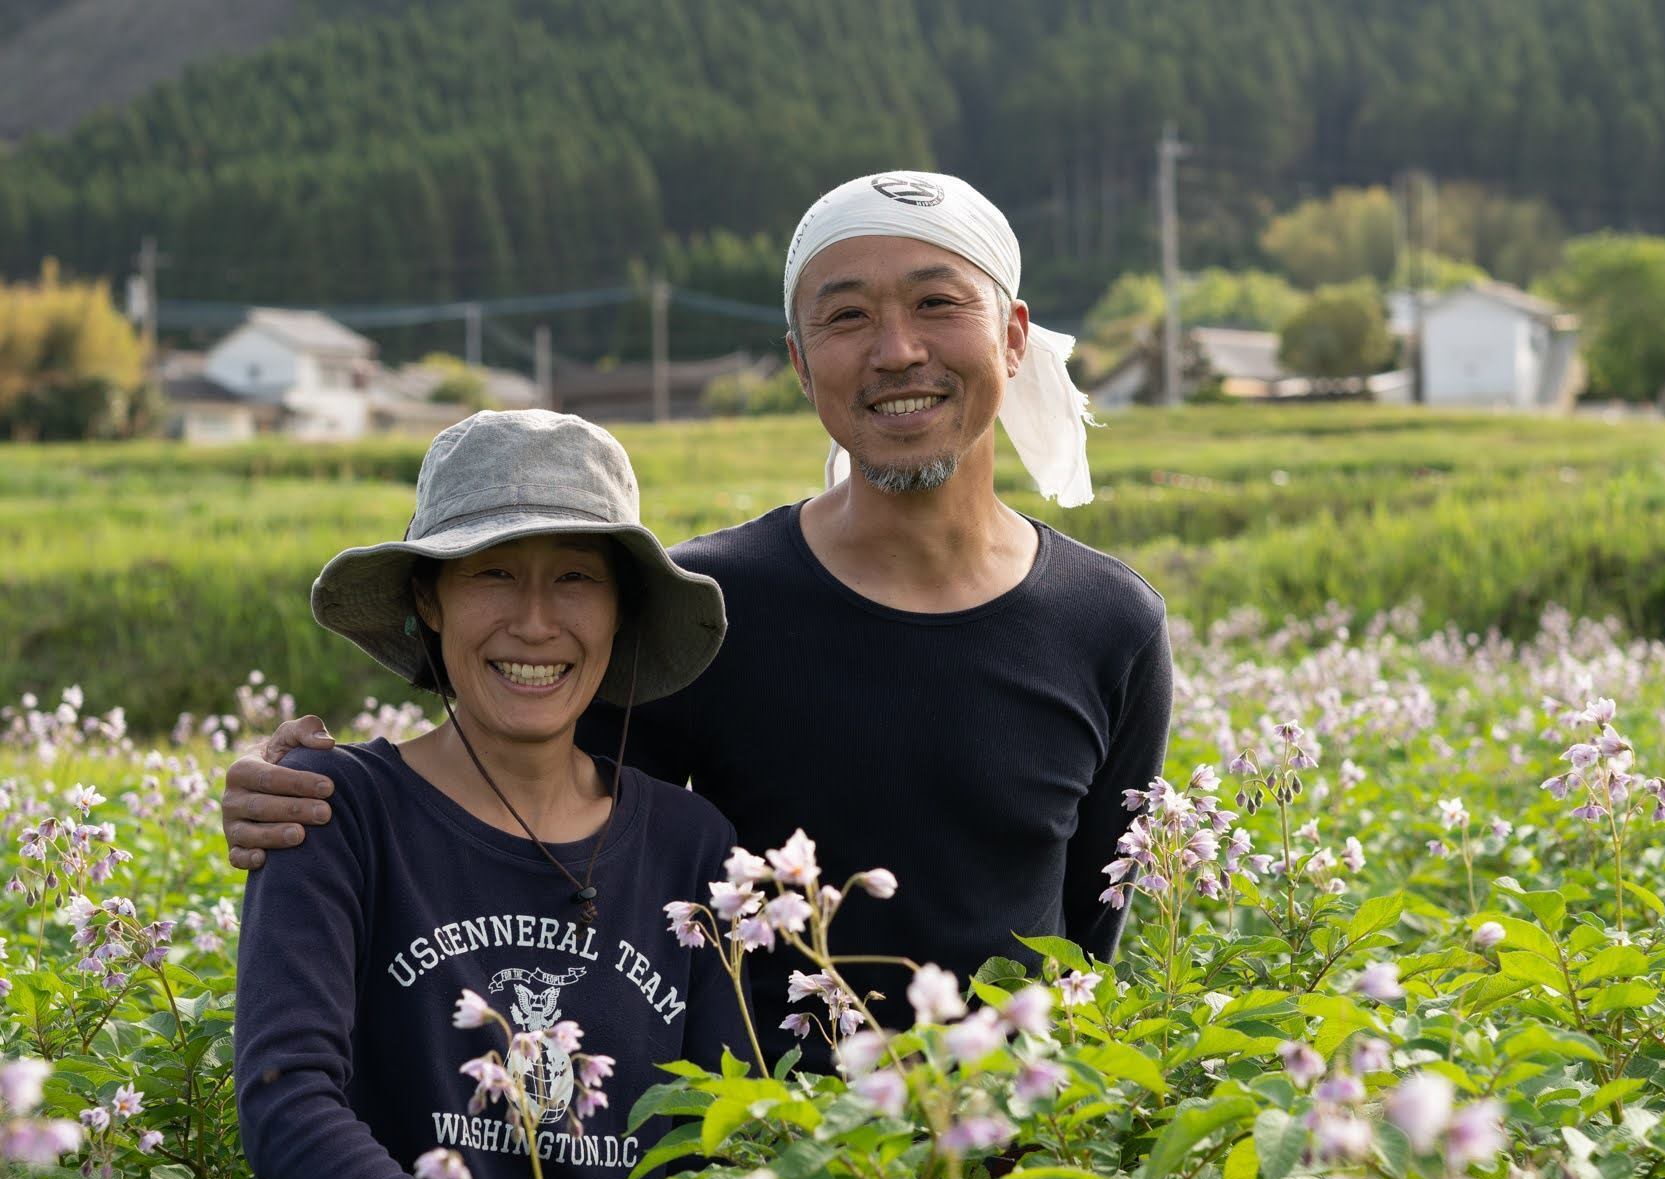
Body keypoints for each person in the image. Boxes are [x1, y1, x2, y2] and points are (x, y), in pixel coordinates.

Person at [223, 171, 1173, 1069]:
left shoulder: (1110, 626)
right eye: (846, 316)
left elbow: (1085, 946)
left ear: (1013, 337)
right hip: (748, 1145)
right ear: (800, 363)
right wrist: (326, 797)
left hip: (1014, 1152)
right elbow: (525, 817)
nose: (896, 351)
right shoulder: (706, 606)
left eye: (937, 303)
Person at [232, 410, 748, 1179]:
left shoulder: (694, 847)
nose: (535, 622)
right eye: (492, 573)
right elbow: (288, 1103)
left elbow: (721, 1142)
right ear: (428, 600)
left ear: (621, 607)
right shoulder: (333, 810)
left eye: (577, 577)